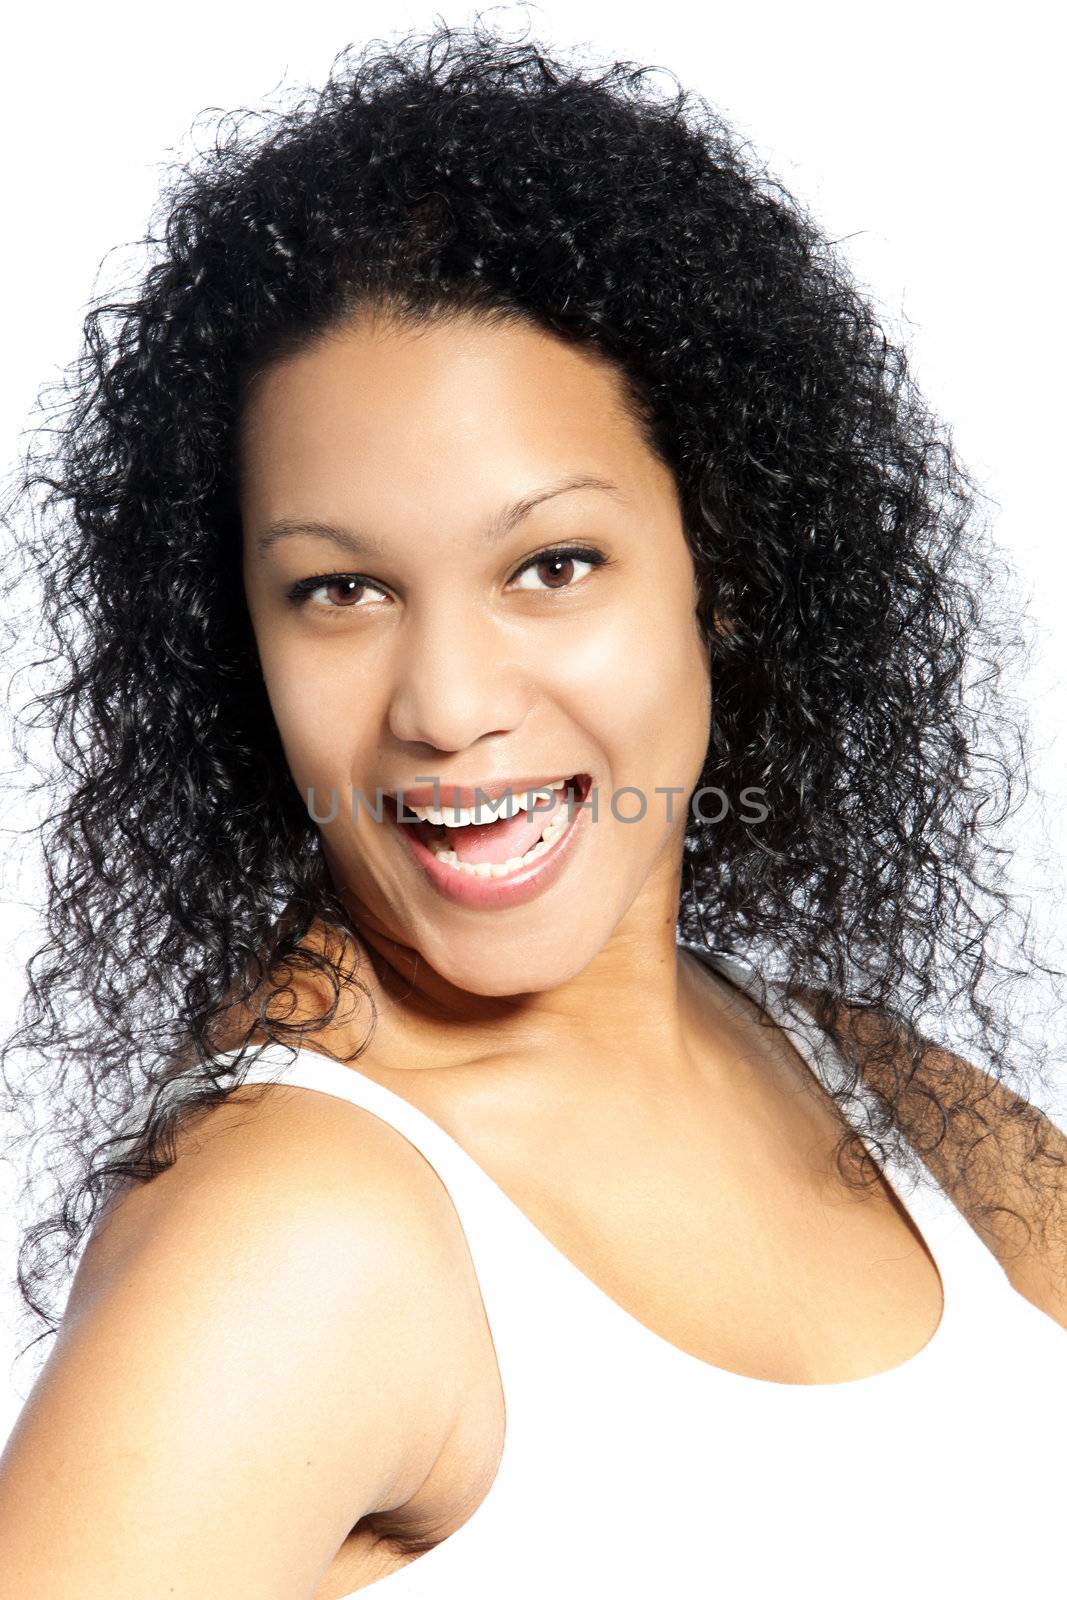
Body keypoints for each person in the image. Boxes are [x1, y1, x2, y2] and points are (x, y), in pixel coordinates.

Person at [0, 17, 1064, 1598]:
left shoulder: (894, 1096)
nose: (444, 704)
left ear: (725, 563)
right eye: (339, 589)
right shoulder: (292, 1240)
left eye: (550, 566)